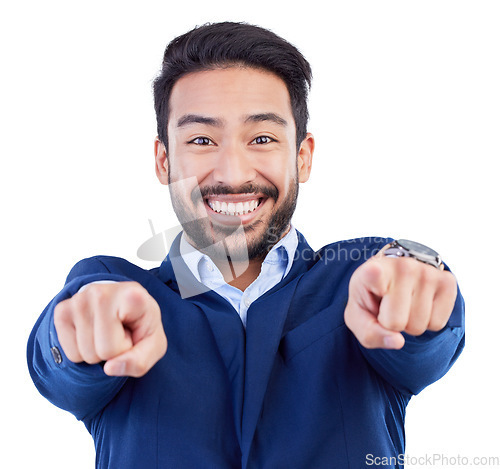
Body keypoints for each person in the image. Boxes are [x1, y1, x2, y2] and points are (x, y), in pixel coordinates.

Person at [27, 21, 464, 469]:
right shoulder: (119, 293)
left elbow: (416, 305)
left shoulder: (358, 283)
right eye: (201, 140)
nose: (233, 174)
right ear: (163, 160)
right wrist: (78, 331)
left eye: (262, 139)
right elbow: (60, 362)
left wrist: (419, 280)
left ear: (303, 156)